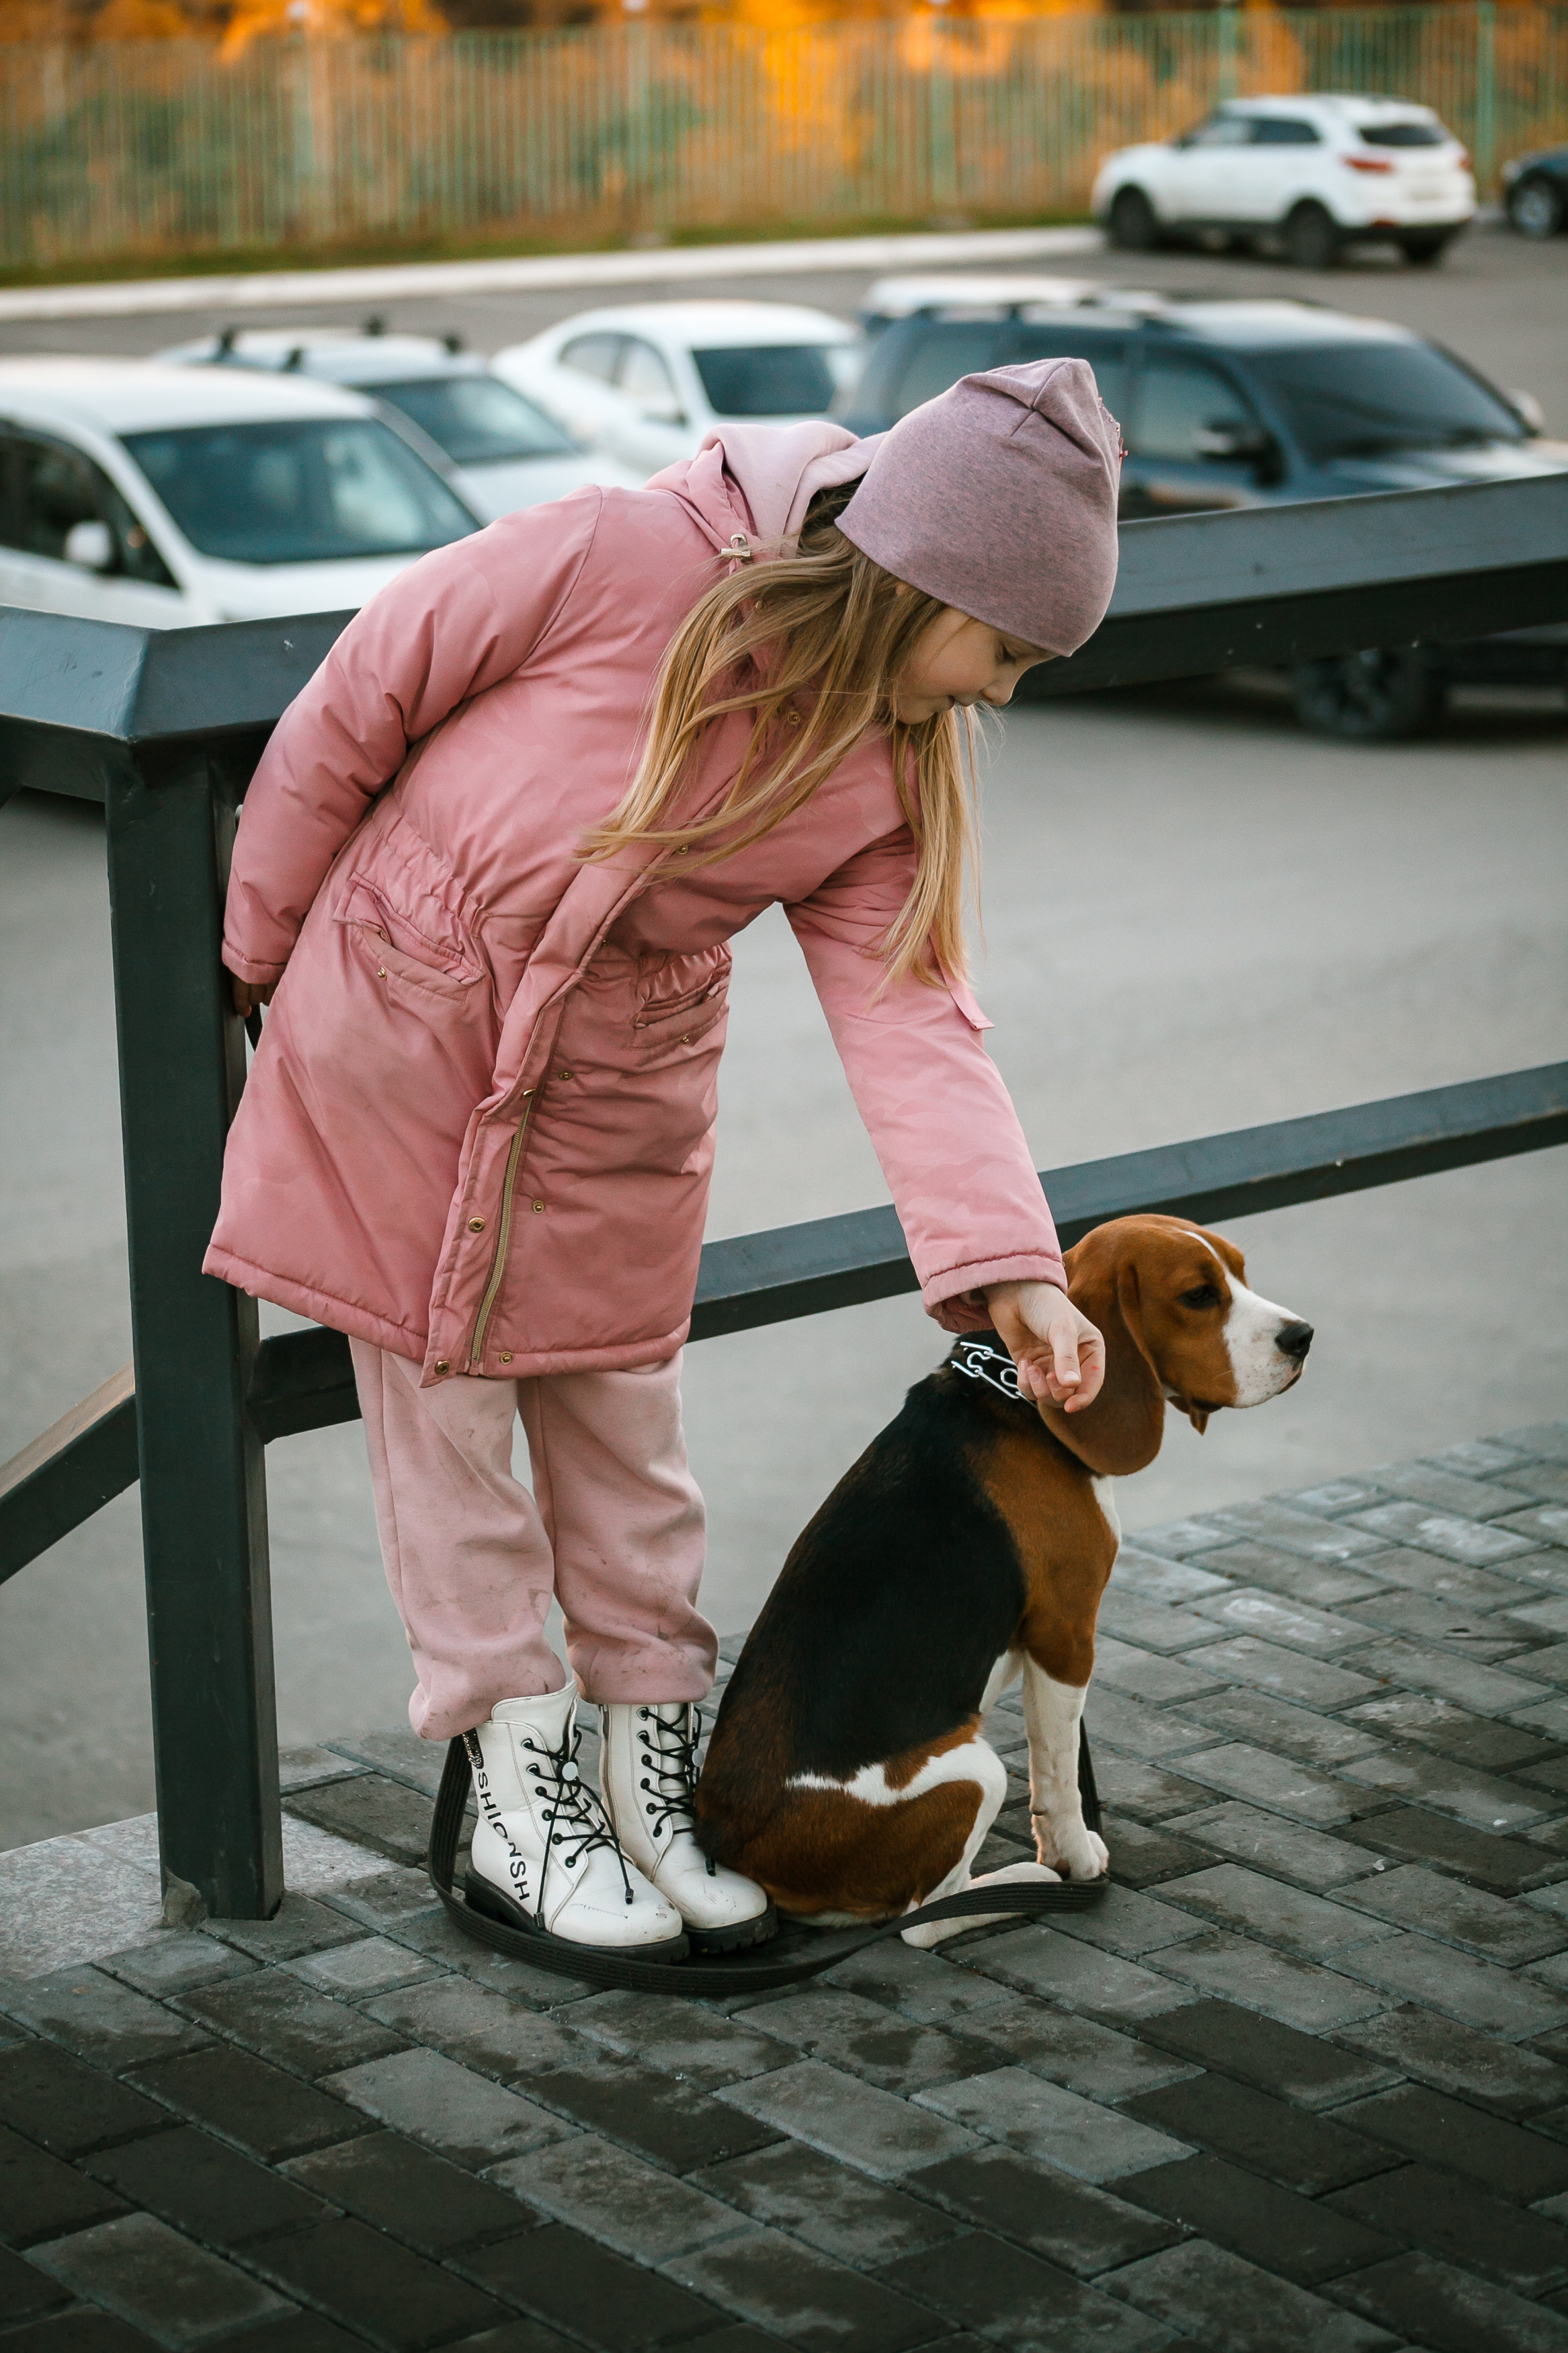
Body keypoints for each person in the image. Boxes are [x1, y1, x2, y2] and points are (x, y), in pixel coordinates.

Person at [207, 358, 1120, 1960]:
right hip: (407, 1045)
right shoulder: (619, 554)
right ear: (921, 577)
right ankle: (512, 1788)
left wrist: (1017, 1272)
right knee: (452, 1435)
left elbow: (913, 1016)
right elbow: (362, 694)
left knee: (631, 1437)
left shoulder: (887, 770)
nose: (1003, 689)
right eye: (1005, 647)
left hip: (620, 1099)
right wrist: (264, 946)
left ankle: (647, 1765)